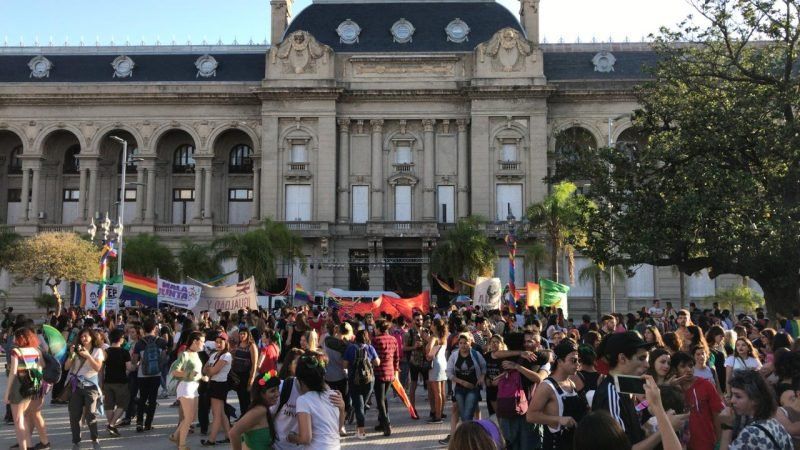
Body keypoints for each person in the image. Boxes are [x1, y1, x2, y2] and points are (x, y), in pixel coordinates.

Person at [592, 331, 686, 449]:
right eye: (641, 358)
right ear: (622, 358)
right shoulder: (611, 394)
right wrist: (666, 427)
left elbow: (633, 435)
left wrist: (652, 426)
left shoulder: (625, 387)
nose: (647, 365)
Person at [527, 339, 588, 450]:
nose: (577, 364)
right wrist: (559, 419)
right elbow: (530, 416)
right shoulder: (547, 386)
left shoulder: (571, 383)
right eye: (573, 360)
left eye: (578, 360)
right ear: (559, 361)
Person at [718, 370, 794, 450]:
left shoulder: (750, 433)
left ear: (755, 399)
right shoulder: (775, 424)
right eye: (732, 395)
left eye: (738, 396)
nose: (732, 400)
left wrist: (727, 427)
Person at [286, 355, 345, 449]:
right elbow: (337, 428)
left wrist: (291, 437)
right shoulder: (334, 395)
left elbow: (306, 438)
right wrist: (342, 409)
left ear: (301, 381)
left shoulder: (303, 400)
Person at [670, 351, 725, 450]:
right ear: (675, 370)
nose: (688, 369)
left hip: (706, 442)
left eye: (691, 366)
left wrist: (719, 442)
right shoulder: (671, 390)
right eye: (683, 366)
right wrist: (670, 387)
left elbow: (717, 414)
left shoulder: (706, 385)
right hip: (679, 444)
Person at [65, 328, 106, 450]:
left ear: (92, 337)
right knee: (74, 415)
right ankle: (76, 441)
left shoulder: (98, 351)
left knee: (90, 414)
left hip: (90, 386)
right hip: (75, 386)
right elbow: (67, 367)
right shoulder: (76, 350)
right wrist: (71, 355)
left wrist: (88, 356)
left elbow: (98, 368)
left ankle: (95, 438)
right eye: (82, 336)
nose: (83, 339)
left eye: (86, 336)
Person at [4, 327, 43, 450]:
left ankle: (23, 447)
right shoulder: (36, 350)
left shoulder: (16, 352)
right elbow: (40, 368)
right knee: (23, 417)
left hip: (18, 387)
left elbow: (13, 373)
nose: (14, 339)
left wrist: (7, 393)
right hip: (31, 386)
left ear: (21, 338)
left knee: (18, 420)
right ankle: (29, 445)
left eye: (16, 336)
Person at [170, 331, 205, 450]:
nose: (203, 344)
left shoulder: (196, 354)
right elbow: (174, 371)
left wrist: (202, 376)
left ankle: (175, 436)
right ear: (195, 341)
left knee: (191, 417)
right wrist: (189, 374)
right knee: (189, 418)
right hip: (186, 387)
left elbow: (196, 373)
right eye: (202, 342)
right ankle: (182, 445)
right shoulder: (185, 354)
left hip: (194, 387)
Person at [132, 318, 168, 432]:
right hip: (156, 374)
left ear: (143, 329)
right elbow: (164, 358)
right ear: (154, 328)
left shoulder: (139, 343)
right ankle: (148, 424)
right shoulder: (161, 342)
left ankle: (139, 423)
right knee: (152, 400)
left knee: (142, 398)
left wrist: (140, 362)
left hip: (143, 374)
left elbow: (134, 360)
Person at [342, 329, 379, 439]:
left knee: (359, 406)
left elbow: (344, 365)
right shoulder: (370, 348)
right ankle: (359, 429)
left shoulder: (351, 348)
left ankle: (361, 432)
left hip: (354, 380)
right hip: (369, 381)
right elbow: (377, 362)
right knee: (362, 405)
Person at [229, 370, 280, 450]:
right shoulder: (260, 410)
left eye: (277, 389)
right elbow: (233, 433)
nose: (277, 394)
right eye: (272, 391)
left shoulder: (264, 409)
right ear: (261, 394)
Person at [446, 333, 487, 426]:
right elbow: (449, 373)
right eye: (461, 343)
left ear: (470, 343)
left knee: (467, 416)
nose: (463, 345)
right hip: (459, 388)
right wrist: (462, 382)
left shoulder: (476, 354)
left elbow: (484, 366)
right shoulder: (454, 355)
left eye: (465, 343)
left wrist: (482, 376)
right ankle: (471, 434)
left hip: (473, 388)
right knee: (464, 413)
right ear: (458, 344)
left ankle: (468, 437)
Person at [201, 332, 232, 446]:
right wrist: (210, 370)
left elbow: (213, 371)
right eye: (217, 342)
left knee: (216, 413)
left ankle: (212, 440)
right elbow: (204, 370)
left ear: (226, 342)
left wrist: (210, 369)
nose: (218, 344)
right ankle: (229, 436)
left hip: (220, 385)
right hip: (213, 384)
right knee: (221, 413)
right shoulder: (214, 355)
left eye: (221, 342)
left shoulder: (226, 355)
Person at [371, 318, 400, 437]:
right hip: (390, 372)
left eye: (375, 327)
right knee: (383, 398)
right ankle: (382, 421)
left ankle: (386, 424)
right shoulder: (393, 339)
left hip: (379, 372)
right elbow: (397, 357)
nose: (373, 329)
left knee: (380, 400)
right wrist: (396, 371)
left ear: (378, 328)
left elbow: (372, 357)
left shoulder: (375, 340)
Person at [103, 328, 132, 437]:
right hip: (121, 381)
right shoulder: (125, 352)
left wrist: (101, 381)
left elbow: (101, 368)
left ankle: (112, 426)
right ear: (120, 339)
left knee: (109, 405)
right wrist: (136, 365)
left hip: (108, 381)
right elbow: (129, 368)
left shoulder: (106, 352)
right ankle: (111, 424)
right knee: (123, 404)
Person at [403, 312, 428, 412]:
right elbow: (404, 348)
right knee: (413, 385)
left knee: (430, 385)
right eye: (417, 320)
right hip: (414, 362)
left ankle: (433, 411)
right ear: (413, 320)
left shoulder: (426, 331)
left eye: (421, 319)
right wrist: (414, 347)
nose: (420, 322)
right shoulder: (409, 332)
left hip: (425, 362)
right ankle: (412, 409)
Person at [231, 328, 258, 416]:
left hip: (246, 375)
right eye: (240, 334)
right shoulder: (239, 344)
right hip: (237, 376)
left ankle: (247, 417)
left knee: (246, 398)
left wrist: (251, 379)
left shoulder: (251, 346)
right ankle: (243, 416)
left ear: (248, 334)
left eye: (244, 334)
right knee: (240, 397)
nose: (242, 336)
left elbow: (254, 364)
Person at [427, 318, 448, 424]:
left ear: (434, 326)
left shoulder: (433, 337)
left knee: (437, 392)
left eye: (431, 324)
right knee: (442, 391)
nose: (430, 325)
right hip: (443, 364)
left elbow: (429, 352)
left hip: (435, 364)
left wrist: (427, 353)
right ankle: (441, 412)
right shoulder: (444, 337)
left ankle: (437, 416)